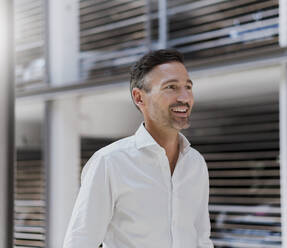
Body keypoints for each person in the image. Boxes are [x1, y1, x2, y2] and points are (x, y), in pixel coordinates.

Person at [63, 49, 213, 248]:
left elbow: (202, 239)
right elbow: (80, 242)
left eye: (188, 87)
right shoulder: (109, 162)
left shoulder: (196, 163)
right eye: (171, 87)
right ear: (139, 98)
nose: (185, 97)